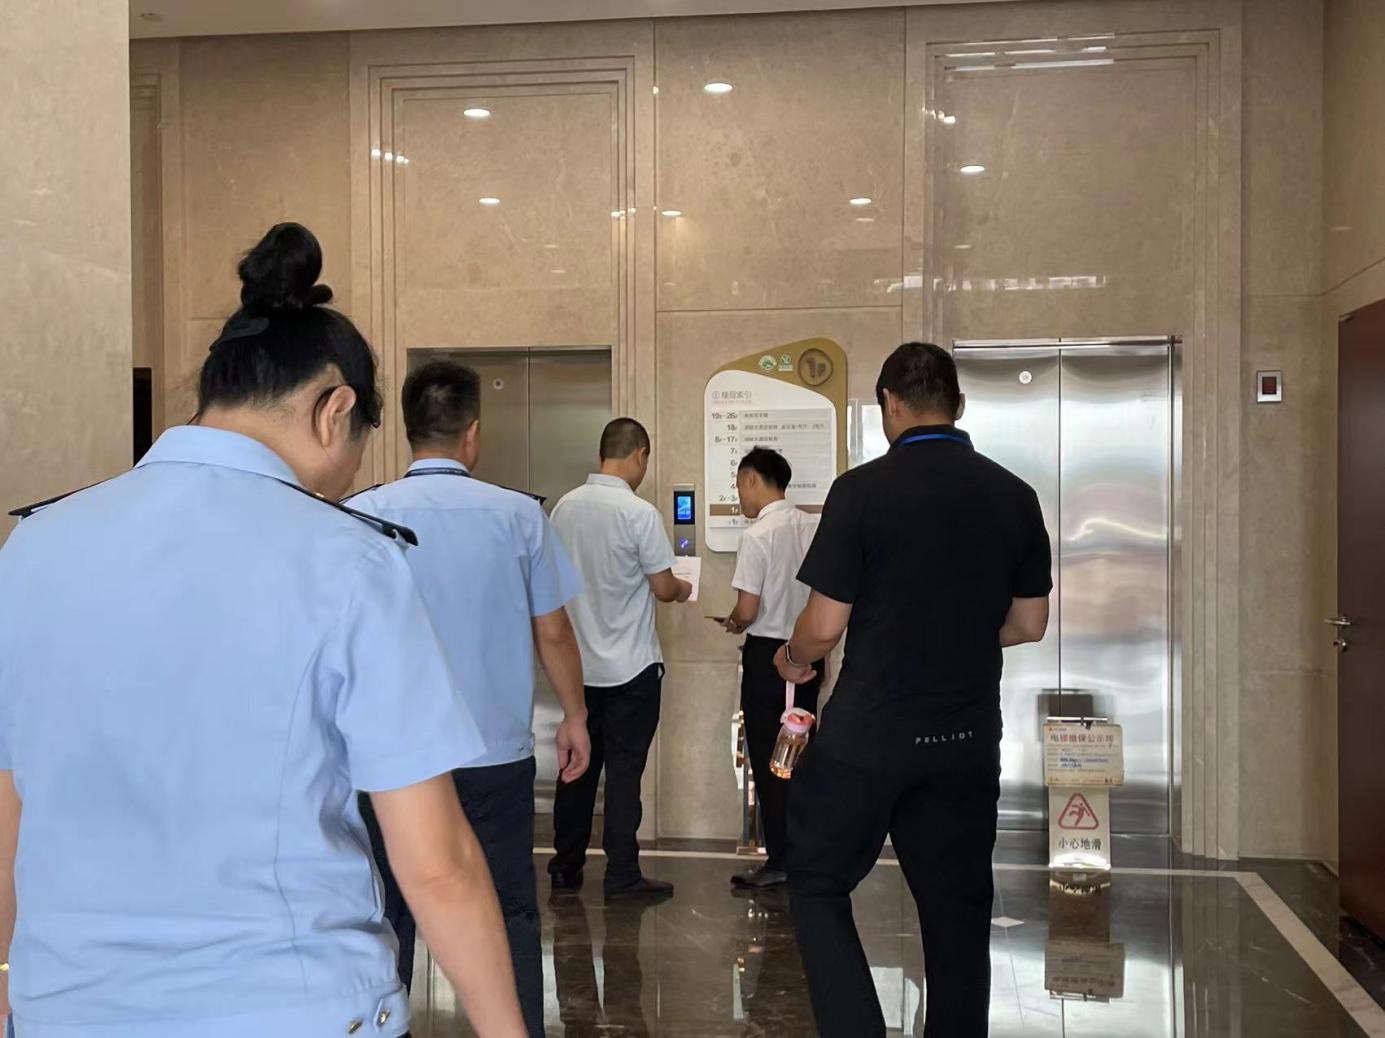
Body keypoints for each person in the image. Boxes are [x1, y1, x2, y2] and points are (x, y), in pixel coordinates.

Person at [0, 224, 526, 1038]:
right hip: (292, 1006)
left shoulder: (35, 548)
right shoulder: (351, 560)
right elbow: (436, 864)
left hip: (70, 1006)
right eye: (358, 449)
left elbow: (10, 803)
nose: (348, 478)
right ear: (334, 409)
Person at [775, 342, 1052, 1037]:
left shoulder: (861, 492)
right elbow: (1029, 623)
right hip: (964, 739)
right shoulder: (1013, 494)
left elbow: (823, 627)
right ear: (958, 406)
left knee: (817, 881)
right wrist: (957, 635)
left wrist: (792, 658)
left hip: (869, 738)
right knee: (957, 909)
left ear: (889, 405)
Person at [350, 360, 589, 1038]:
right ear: (472, 433)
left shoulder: (362, 515)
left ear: (406, 430)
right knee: (509, 908)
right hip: (495, 757)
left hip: (390, 759)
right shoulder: (519, 516)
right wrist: (574, 715)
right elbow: (553, 630)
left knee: (387, 914)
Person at [547, 418, 692, 901]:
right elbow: (663, 587)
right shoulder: (639, 514)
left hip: (578, 670)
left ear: (601, 454)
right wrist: (683, 588)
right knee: (625, 774)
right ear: (640, 455)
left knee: (576, 768)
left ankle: (565, 866)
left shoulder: (564, 508)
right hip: (632, 669)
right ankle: (622, 874)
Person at [719, 447, 820, 890]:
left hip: (769, 659)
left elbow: (748, 608)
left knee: (770, 758)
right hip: (809, 652)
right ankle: (807, 852)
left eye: (740, 486)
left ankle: (782, 859)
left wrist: (733, 622)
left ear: (751, 480)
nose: (740, 495)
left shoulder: (758, 535)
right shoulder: (812, 527)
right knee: (802, 755)